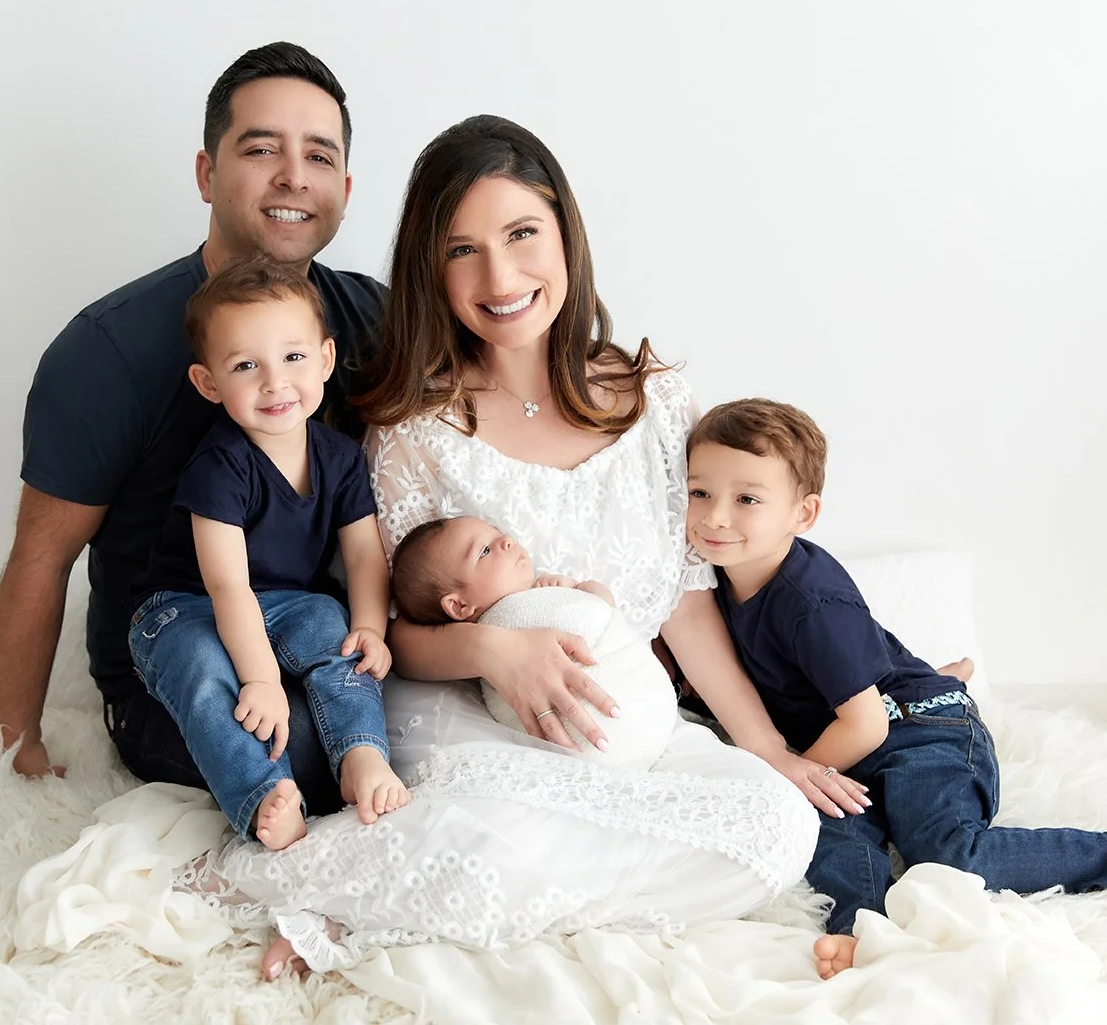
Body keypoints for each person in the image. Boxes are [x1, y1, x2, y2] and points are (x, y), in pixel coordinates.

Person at [212, 114, 862, 981]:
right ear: (431, 272)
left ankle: (458, 890)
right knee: (505, 832)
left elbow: (687, 599)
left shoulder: (657, 399)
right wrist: (493, 649)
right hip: (470, 715)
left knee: (777, 827)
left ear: (566, 235)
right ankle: (329, 885)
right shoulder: (417, 426)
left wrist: (770, 750)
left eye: (523, 234)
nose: (501, 275)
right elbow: (386, 631)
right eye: (462, 250)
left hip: (624, 721)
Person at [682, 397, 1107, 979]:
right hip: (848, 728)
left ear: (804, 514)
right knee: (832, 840)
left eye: (747, 499)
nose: (715, 517)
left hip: (914, 729)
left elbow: (868, 723)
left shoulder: (813, 604)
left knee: (944, 851)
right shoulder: (709, 581)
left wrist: (798, 775)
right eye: (700, 493)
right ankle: (860, 929)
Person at [0, 43, 383, 818]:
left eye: (318, 156)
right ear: (206, 172)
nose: (293, 176)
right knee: (301, 748)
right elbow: (42, 554)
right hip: (176, 667)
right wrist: (17, 739)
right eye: (261, 148)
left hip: (310, 633)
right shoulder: (109, 349)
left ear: (344, 186)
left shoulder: (374, 318)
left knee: (395, 720)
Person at [128, 257, 408, 849]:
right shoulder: (221, 465)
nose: (275, 382)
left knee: (333, 631)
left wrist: (369, 626)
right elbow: (228, 586)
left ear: (326, 360)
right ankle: (265, 794)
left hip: (283, 602)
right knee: (204, 670)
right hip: (184, 607)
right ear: (209, 383)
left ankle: (360, 755)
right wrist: (260, 681)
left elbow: (363, 554)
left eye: (294, 357)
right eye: (246, 366)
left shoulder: (338, 456)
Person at [388, 514, 679, 767]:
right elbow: (590, 619)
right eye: (485, 551)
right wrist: (582, 598)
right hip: (613, 736)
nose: (507, 541)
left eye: (496, 532)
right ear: (460, 606)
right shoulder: (511, 620)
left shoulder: (542, 598)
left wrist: (576, 590)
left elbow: (602, 618)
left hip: (645, 719)